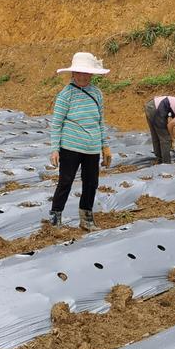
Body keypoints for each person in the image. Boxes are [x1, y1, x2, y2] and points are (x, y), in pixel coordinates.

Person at [49, 52, 112, 231]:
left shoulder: (97, 94)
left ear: (92, 75)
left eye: (86, 73)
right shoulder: (66, 95)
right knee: (65, 181)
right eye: (79, 73)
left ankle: (86, 218)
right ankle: (55, 219)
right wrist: (55, 149)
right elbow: (56, 124)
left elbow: (100, 121)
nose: (83, 77)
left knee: (91, 182)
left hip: (92, 148)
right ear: (73, 74)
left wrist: (105, 146)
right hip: (70, 146)